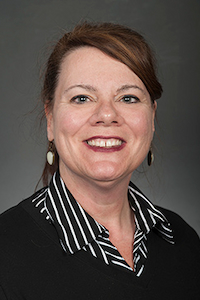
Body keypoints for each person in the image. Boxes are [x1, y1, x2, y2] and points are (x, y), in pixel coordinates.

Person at [0, 22, 199, 299]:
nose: (107, 114)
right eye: (82, 98)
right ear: (50, 118)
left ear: (152, 118)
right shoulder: (5, 252)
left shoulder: (184, 240)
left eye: (128, 98)